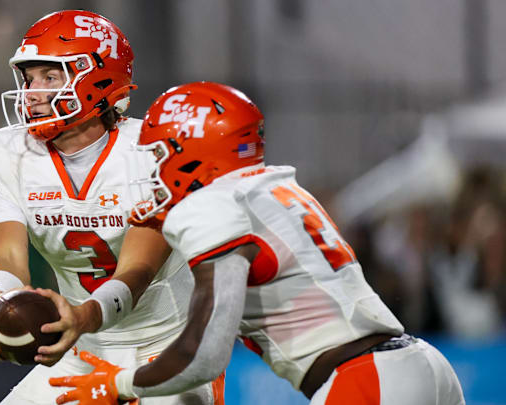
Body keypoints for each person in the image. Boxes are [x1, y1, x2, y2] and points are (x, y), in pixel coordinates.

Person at [49, 82, 466, 405]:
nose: (152, 170)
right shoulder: (275, 187)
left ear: (191, 153)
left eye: (158, 154)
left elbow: (204, 353)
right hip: (419, 365)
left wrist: (119, 382)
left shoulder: (212, 205)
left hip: (366, 379)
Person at [0, 11, 223, 405]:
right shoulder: (6, 154)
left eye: (49, 77)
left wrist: (82, 316)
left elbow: (137, 271)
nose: (32, 91)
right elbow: (5, 258)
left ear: (98, 78)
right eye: (28, 77)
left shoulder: (151, 152)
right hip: (80, 346)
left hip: (164, 347)